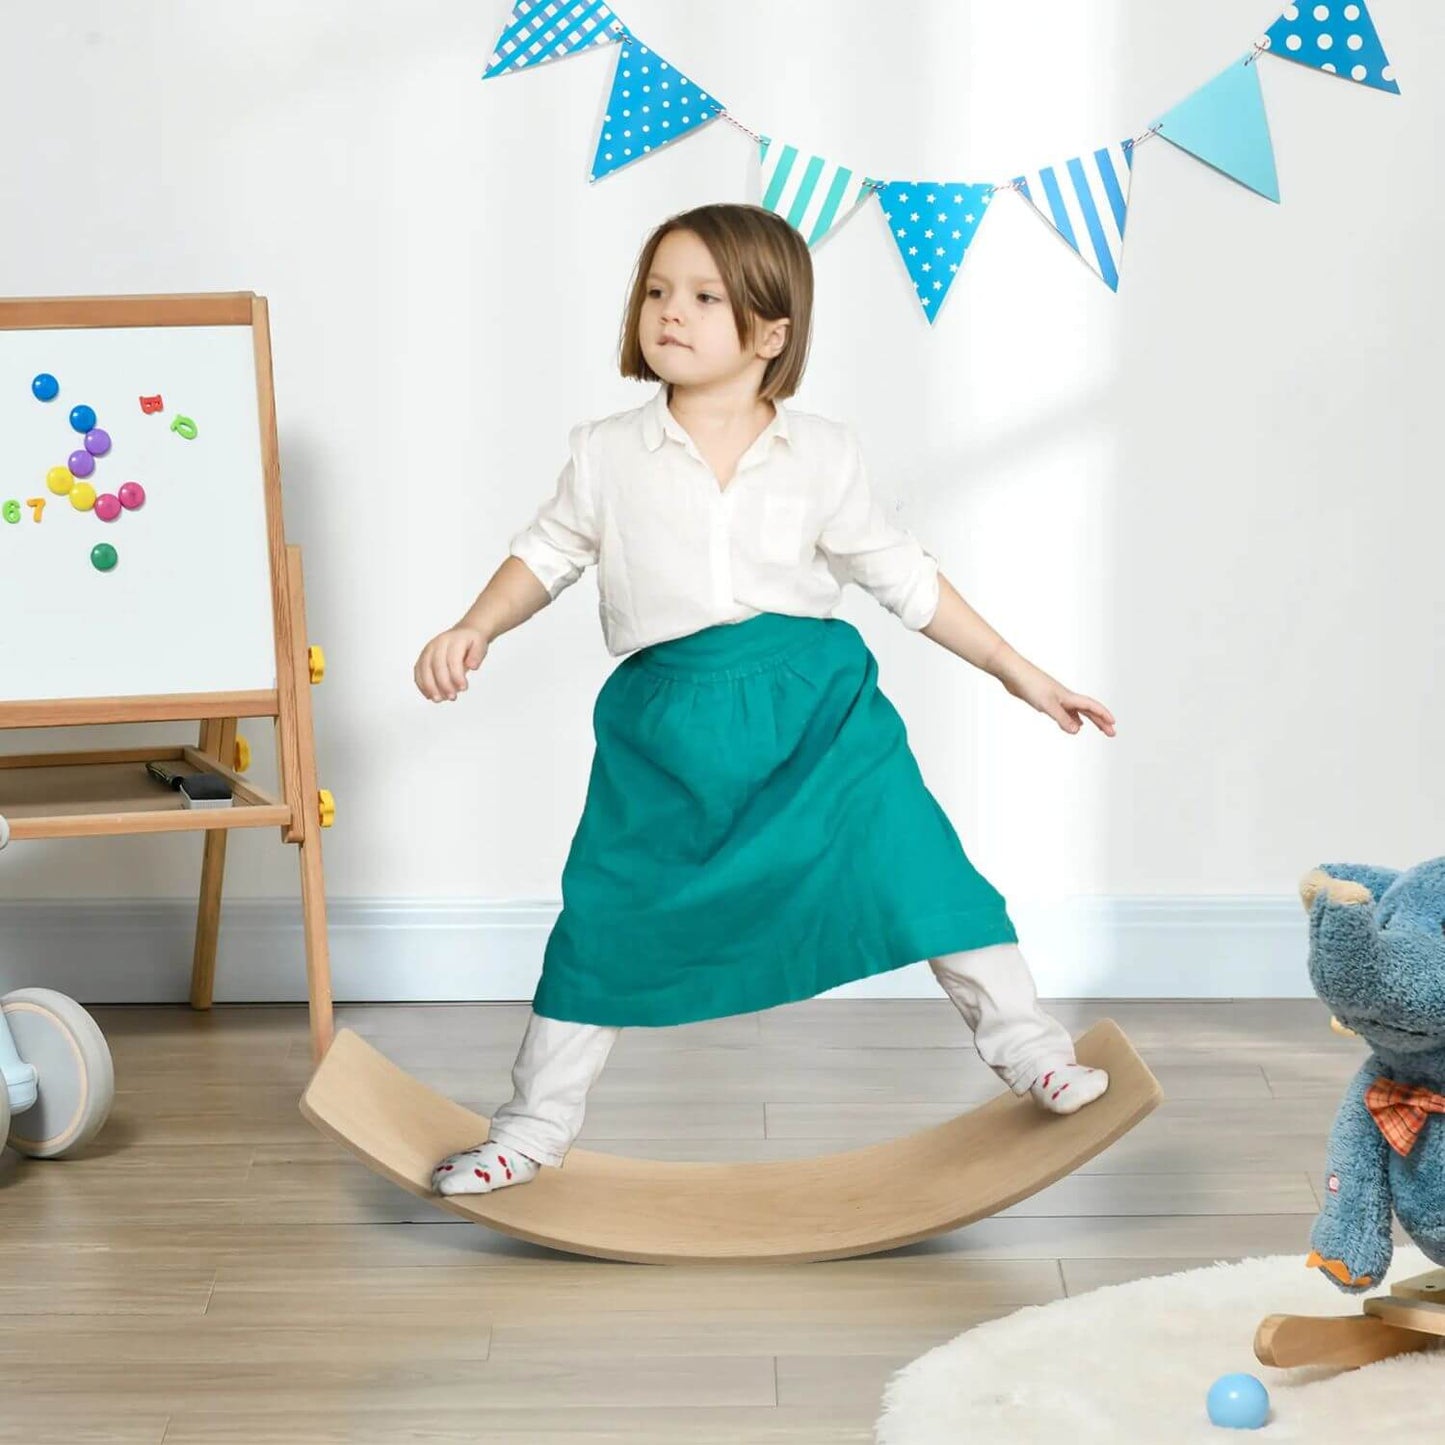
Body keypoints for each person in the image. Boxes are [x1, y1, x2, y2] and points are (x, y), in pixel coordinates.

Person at [414, 203, 1117, 1198]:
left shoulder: (822, 452)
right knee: (606, 915)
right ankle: (532, 1123)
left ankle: (1028, 1047)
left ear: (769, 332)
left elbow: (902, 574)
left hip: (815, 714)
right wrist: (474, 624)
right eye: (657, 289)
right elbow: (547, 550)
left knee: (919, 864)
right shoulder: (606, 451)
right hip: (668, 728)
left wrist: (1018, 668)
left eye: (703, 296)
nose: (669, 311)